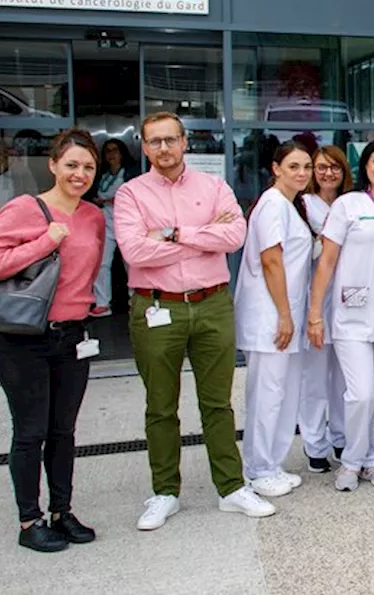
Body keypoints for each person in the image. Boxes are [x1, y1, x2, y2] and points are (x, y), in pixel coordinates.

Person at [116, 112, 275, 530]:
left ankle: (231, 488)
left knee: (217, 403)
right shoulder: (130, 194)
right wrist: (201, 235)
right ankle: (165, 491)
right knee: (161, 406)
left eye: (171, 140)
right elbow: (134, 252)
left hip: (212, 305)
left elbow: (233, 237)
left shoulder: (214, 186)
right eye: (155, 142)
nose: (164, 149)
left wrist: (169, 234)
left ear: (185, 142)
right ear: (144, 146)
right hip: (157, 306)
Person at [0, 129, 105, 553]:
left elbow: (85, 275)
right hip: (25, 340)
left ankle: (61, 512)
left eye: (88, 167)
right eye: (71, 165)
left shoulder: (93, 217)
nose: (80, 174)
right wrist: (44, 241)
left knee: (63, 432)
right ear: (52, 165)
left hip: (72, 337)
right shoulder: (24, 209)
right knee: (30, 432)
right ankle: (28, 520)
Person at [307, 138, 374, 492]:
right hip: (352, 314)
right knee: (361, 393)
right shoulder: (347, 205)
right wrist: (314, 314)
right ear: (365, 166)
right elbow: (326, 261)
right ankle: (351, 462)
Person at [235, 142, 315, 498]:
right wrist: (283, 314)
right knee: (267, 394)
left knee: (284, 393)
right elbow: (271, 261)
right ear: (276, 168)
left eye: (307, 167)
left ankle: (273, 463)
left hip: (288, 313)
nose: (302, 173)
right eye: (294, 166)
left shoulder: (289, 205)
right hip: (271, 315)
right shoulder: (271, 205)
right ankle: (258, 468)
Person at [297, 145, 351, 473]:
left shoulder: (353, 203)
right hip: (314, 298)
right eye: (321, 167)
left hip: (348, 301)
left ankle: (342, 438)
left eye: (334, 167)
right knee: (315, 379)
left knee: (345, 379)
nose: (328, 173)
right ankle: (315, 444)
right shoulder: (302, 205)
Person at [89, 139, 137, 317]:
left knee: (131, 262)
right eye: (107, 151)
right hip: (105, 220)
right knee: (102, 261)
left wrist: (111, 200)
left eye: (115, 150)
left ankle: (135, 301)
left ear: (122, 153)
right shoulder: (102, 174)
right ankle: (103, 303)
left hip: (126, 220)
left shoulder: (131, 173)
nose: (111, 154)